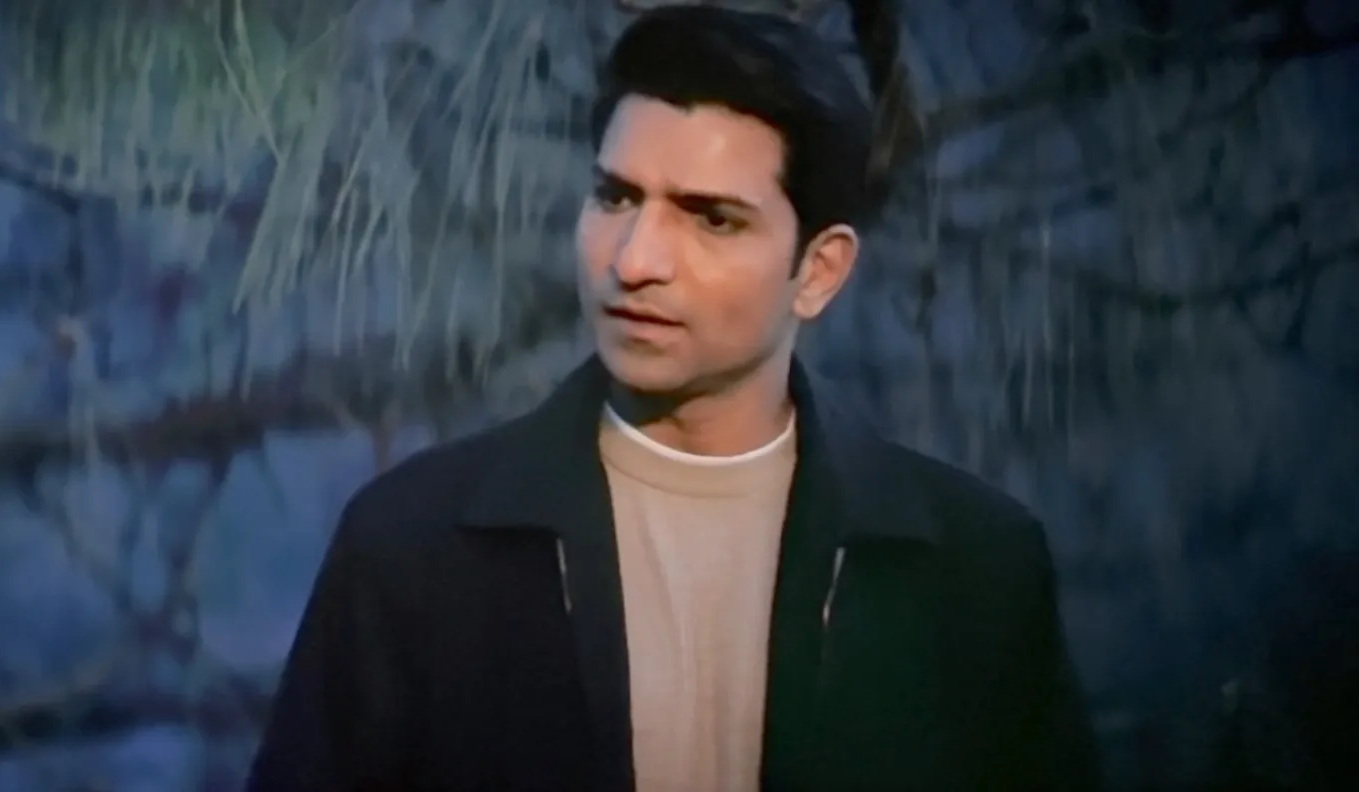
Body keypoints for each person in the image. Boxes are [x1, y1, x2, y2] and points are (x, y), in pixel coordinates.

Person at [247, 6, 1100, 791]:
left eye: (711, 219)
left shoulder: (974, 569)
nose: (635, 261)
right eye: (616, 197)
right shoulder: (413, 549)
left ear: (819, 270)